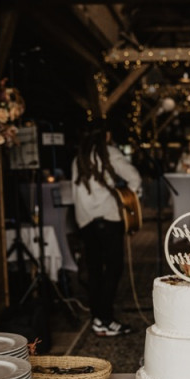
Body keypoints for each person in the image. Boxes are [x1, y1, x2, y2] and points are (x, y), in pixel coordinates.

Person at [71, 123, 142, 337]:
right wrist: (127, 199)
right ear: (107, 134)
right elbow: (134, 178)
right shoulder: (108, 152)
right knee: (113, 268)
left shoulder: (79, 158)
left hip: (86, 221)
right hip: (108, 217)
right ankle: (106, 319)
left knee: (94, 270)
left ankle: (97, 318)